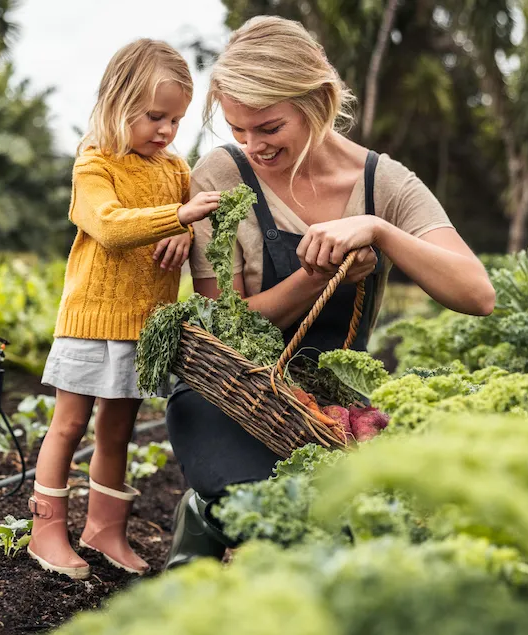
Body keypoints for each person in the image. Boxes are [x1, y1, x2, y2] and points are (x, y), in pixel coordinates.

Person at [163, 15, 497, 569]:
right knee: (269, 510)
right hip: (231, 395)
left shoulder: (382, 183)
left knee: (358, 524)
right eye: (239, 129)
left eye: (269, 127)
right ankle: (205, 515)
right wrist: (314, 277)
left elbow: (476, 293)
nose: (253, 145)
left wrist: (380, 230)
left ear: (316, 100)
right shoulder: (221, 176)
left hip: (330, 404)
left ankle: (215, 523)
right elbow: (224, 331)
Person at [30, 38, 224, 580]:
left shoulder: (173, 168)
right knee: (68, 426)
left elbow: (183, 226)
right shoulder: (95, 163)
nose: (165, 130)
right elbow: (112, 227)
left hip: (146, 326)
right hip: (92, 321)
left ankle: (104, 530)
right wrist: (179, 218)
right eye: (155, 116)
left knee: (118, 433)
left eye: (176, 120)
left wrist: (184, 236)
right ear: (118, 103)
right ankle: (46, 533)